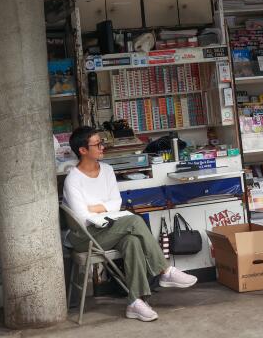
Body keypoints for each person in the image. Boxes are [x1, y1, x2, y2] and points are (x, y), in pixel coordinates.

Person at [63, 127, 197, 322]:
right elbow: (83, 217)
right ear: (83, 150)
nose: (103, 147)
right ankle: (164, 270)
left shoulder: (107, 170)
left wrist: (96, 208)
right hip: (85, 237)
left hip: (109, 228)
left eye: (102, 142)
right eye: (98, 144)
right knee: (134, 220)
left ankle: (135, 302)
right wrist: (103, 209)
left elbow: (116, 203)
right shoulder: (73, 180)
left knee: (132, 241)